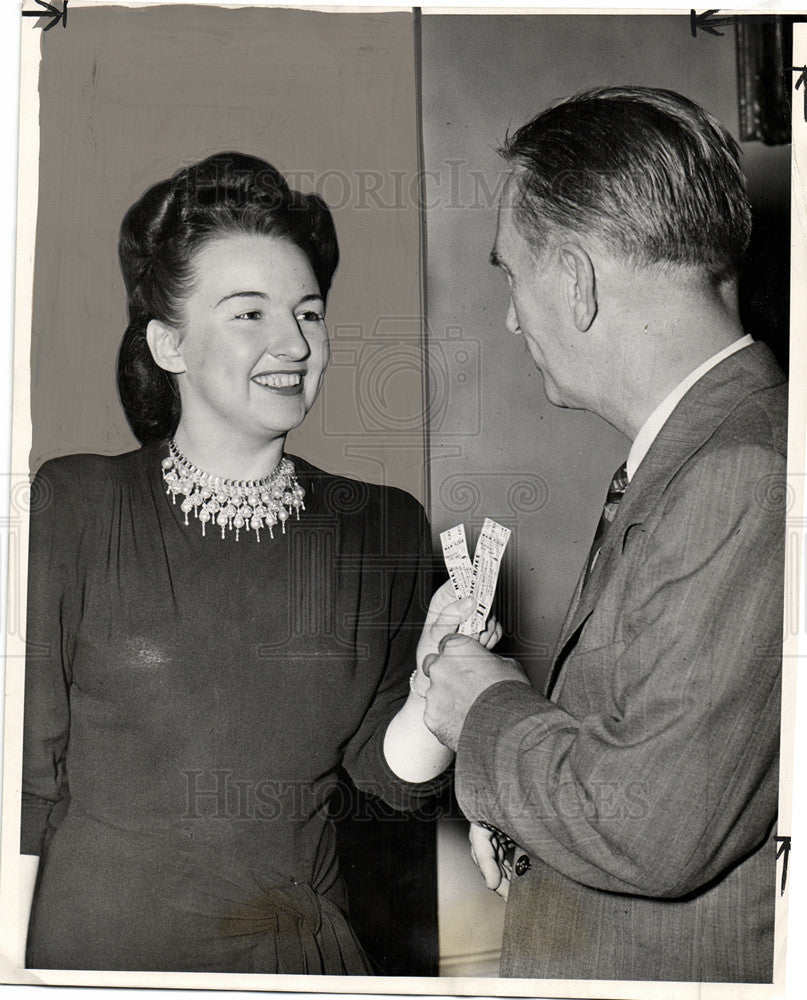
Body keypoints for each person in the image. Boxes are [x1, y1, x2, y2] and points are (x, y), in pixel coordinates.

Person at [20, 152, 496, 974]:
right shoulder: (78, 505)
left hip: (297, 966)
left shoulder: (380, 526)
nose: (293, 343)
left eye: (308, 313)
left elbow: (389, 778)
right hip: (105, 959)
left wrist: (434, 689)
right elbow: (21, 790)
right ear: (168, 342)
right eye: (249, 315)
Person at [421, 87, 785, 983]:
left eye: (510, 273)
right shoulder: (705, 449)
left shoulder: (739, 474)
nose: (510, 317)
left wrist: (479, 707)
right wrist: (518, 812)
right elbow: (648, 749)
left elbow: (649, 827)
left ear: (576, 280)